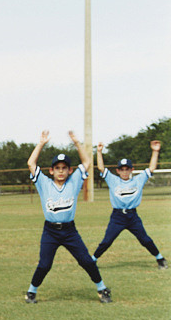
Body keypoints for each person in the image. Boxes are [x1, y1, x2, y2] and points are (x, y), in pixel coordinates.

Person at [24, 130, 111, 304]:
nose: (61, 171)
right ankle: (31, 292)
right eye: (57, 168)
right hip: (50, 231)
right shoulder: (44, 183)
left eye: (64, 168)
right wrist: (41, 144)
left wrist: (77, 143)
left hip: (69, 231)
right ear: (51, 171)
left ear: (70, 170)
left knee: (86, 261)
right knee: (45, 265)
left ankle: (102, 289)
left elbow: (86, 162)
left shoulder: (74, 181)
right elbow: (31, 163)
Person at [91, 141, 167, 269]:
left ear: (132, 170)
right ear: (118, 171)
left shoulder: (138, 179)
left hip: (132, 216)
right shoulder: (113, 180)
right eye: (122, 169)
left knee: (145, 239)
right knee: (107, 241)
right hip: (117, 217)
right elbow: (101, 168)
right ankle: (92, 260)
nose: (125, 172)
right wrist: (99, 152)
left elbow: (151, 168)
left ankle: (160, 259)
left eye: (127, 169)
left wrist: (155, 151)